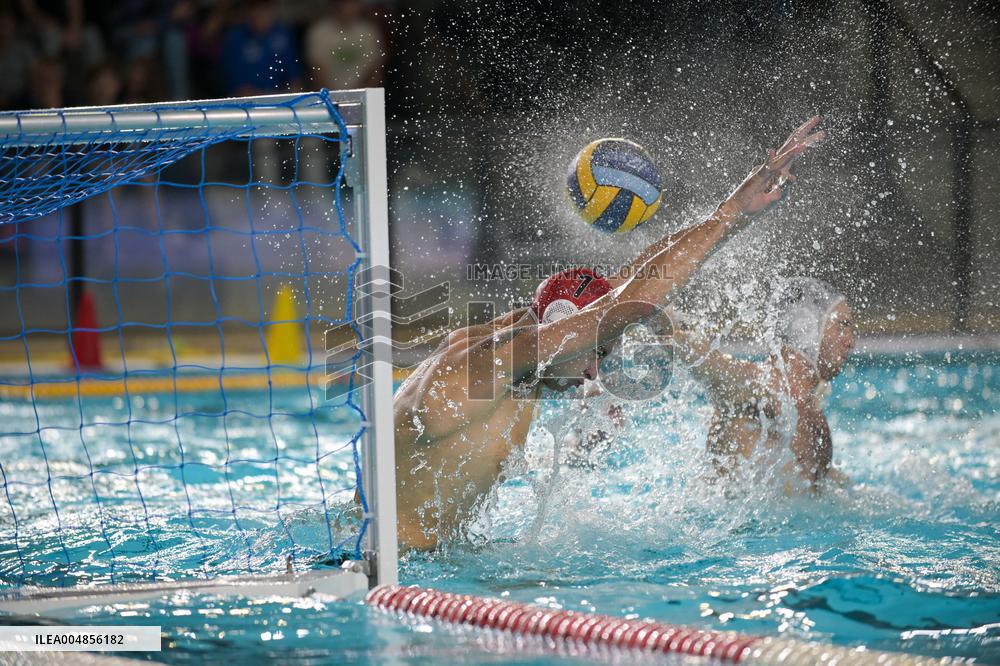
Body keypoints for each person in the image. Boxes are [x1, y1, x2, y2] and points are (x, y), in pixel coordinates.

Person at [393, 117, 826, 549]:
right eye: (594, 349)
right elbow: (628, 305)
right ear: (558, 329)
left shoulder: (517, 350)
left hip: (437, 561)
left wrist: (731, 214)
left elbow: (637, 277)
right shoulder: (487, 365)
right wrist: (728, 214)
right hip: (396, 570)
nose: (594, 369)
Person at [674, 278, 855, 491]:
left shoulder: (808, 403)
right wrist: (665, 327)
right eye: (842, 326)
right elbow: (706, 361)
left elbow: (810, 484)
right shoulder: (759, 386)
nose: (850, 341)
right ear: (807, 326)